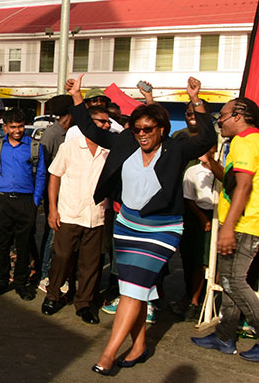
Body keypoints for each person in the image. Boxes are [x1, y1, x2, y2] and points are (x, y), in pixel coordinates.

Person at [66, 74, 215, 376]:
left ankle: (108, 354)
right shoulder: (125, 142)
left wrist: (196, 101)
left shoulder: (176, 149)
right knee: (134, 289)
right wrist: (77, 97)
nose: (142, 134)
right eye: (137, 129)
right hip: (127, 226)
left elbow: (207, 139)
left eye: (148, 129)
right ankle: (140, 345)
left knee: (132, 292)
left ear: (162, 129)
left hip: (161, 230)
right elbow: (90, 128)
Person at [192, 98, 259, 362]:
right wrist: (211, 163)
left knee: (234, 282)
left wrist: (229, 227)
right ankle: (224, 336)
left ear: (240, 115)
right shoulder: (248, 141)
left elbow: (243, 187)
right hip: (245, 223)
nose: (219, 120)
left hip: (244, 225)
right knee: (231, 282)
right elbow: (235, 182)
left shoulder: (245, 141)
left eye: (223, 114)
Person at [41, 105, 111, 325]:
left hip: (96, 215)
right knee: (62, 257)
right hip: (69, 212)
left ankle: (85, 303)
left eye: (108, 122)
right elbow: (54, 176)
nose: (106, 126)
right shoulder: (70, 147)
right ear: (89, 124)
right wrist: (52, 209)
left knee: (91, 264)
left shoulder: (109, 150)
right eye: (102, 122)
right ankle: (53, 295)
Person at [0, 108, 46, 300]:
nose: (17, 130)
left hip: (25, 201)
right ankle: (2, 281)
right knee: (2, 244)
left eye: (20, 126)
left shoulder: (34, 147)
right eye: (13, 127)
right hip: (2, 200)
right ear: (5, 127)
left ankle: (20, 283)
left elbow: (41, 175)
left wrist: (35, 200)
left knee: (23, 246)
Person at [169, 147, 216, 322]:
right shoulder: (193, 171)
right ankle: (192, 298)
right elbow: (188, 198)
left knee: (207, 262)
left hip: (216, 216)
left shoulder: (221, 171)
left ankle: (201, 300)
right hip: (197, 216)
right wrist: (203, 218)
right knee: (194, 259)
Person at [37, 94, 75, 292]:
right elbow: (43, 167)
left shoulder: (71, 133)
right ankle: (45, 275)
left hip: (68, 195)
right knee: (52, 236)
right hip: (55, 195)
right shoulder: (53, 135)